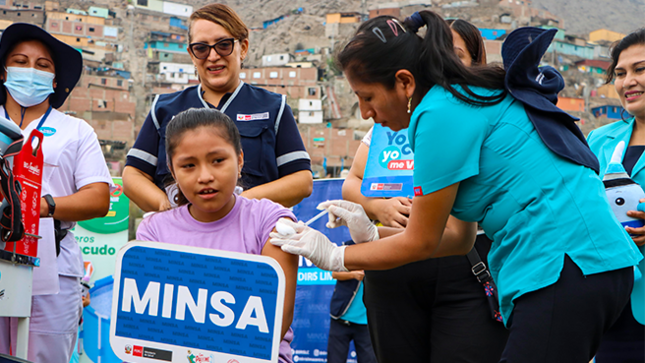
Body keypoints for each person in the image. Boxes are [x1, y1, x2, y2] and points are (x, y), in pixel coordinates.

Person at [270, 12, 642, 363]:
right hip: (586, 267)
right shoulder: (458, 99)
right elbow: (458, 238)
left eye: (367, 97)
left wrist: (335, 256)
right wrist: (373, 233)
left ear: (404, 82)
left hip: (566, 265)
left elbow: (421, 241)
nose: (365, 112)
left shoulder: (437, 113)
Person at [341, 17, 507, 362]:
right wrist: (378, 211)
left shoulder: (444, 116)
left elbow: (443, 237)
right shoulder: (395, 121)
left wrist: (337, 255)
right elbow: (352, 183)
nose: (365, 111)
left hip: (467, 261)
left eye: (454, 55)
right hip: (400, 260)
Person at [136, 108, 298, 363]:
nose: (205, 177)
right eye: (189, 165)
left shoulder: (272, 221)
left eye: (218, 160)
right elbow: (149, 331)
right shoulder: (154, 231)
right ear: (172, 169)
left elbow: (275, 323)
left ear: (240, 159)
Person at [123, 3, 312, 212]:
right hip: (180, 240)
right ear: (192, 55)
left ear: (243, 48)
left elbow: (301, 181)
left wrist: (239, 205)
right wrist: (169, 210)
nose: (213, 56)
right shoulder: (163, 109)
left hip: (253, 237)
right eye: (201, 48)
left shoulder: (274, 108)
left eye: (223, 45)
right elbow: (133, 175)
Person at [0, 23, 112, 362]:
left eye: (43, 65)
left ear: (54, 80)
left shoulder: (76, 130)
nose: (30, 70)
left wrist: (43, 206)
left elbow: (98, 197)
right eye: (20, 61)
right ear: (4, 72)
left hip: (53, 263)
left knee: (44, 354)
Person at [587, 28, 645, 362]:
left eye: (640, 69)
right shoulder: (599, 139)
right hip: (610, 305)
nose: (627, 82)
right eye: (620, 74)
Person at [327, 242, 376, 363]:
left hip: (366, 322)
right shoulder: (347, 246)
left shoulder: (380, 248)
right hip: (341, 317)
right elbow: (334, 273)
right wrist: (353, 274)